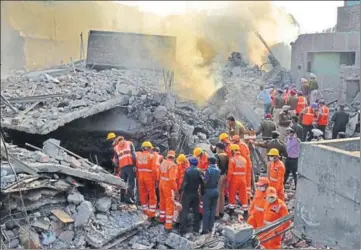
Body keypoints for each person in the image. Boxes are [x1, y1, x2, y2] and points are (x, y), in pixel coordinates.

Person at [179, 157, 204, 236]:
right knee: (196, 211)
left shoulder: (188, 171)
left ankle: (183, 230)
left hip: (187, 193)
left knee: (184, 211)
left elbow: (185, 183)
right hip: (195, 193)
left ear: (190, 163)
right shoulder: (200, 171)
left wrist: (180, 190)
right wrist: (202, 193)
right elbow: (203, 183)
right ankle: (196, 229)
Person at [135, 141, 157, 220]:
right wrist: (156, 179)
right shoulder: (152, 157)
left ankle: (145, 210)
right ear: (150, 148)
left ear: (143, 148)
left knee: (143, 194)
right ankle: (151, 214)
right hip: (149, 178)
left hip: (140, 178)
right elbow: (154, 170)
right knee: (152, 195)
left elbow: (137, 168)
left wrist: (137, 177)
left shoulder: (138, 156)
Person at [227, 144, 249, 218]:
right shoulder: (244, 159)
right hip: (243, 179)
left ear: (233, 151)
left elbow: (230, 172)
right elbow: (246, 170)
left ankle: (231, 211)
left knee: (232, 195)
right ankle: (245, 211)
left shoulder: (232, 159)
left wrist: (228, 181)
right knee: (243, 195)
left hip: (234, 180)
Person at [159, 150, 178, 232]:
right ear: (174, 157)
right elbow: (172, 179)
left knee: (162, 201)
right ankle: (168, 225)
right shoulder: (172, 165)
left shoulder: (163, 162)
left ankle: (162, 218)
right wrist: (175, 189)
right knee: (169, 204)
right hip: (168, 186)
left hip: (161, 183)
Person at [114, 136, 137, 204]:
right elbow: (133, 155)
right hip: (130, 165)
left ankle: (122, 198)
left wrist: (117, 169)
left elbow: (116, 160)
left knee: (123, 183)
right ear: (123, 139)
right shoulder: (129, 143)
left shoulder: (116, 148)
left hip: (122, 168)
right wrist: (135, 165)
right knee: (131, 183)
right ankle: (129, 198)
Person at [201, 156, 221, 235]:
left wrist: (202, 178)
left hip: (208, 191)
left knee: (206, 210)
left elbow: (206, 182)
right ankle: (210, 227)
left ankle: (205, 229)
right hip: (216, 190)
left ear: (209, 162)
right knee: (213, 210)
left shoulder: (208, 170)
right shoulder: (218, 170)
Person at [232, 135, 252, 200]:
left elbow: (243, 158)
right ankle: (245, 197)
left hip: (246, 166)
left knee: (246, 182)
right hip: (245, 165)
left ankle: (246, 198)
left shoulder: (241, 145)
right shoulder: (241, 144)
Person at [215, 143, 229, 219]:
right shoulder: (227, 156)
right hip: (224, 175)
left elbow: (216, 168)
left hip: (219, 176)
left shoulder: (217, 156)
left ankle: (216, 214)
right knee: (222, 194)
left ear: (219, 148)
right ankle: (221, 211)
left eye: (217, 148)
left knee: (217, 194)